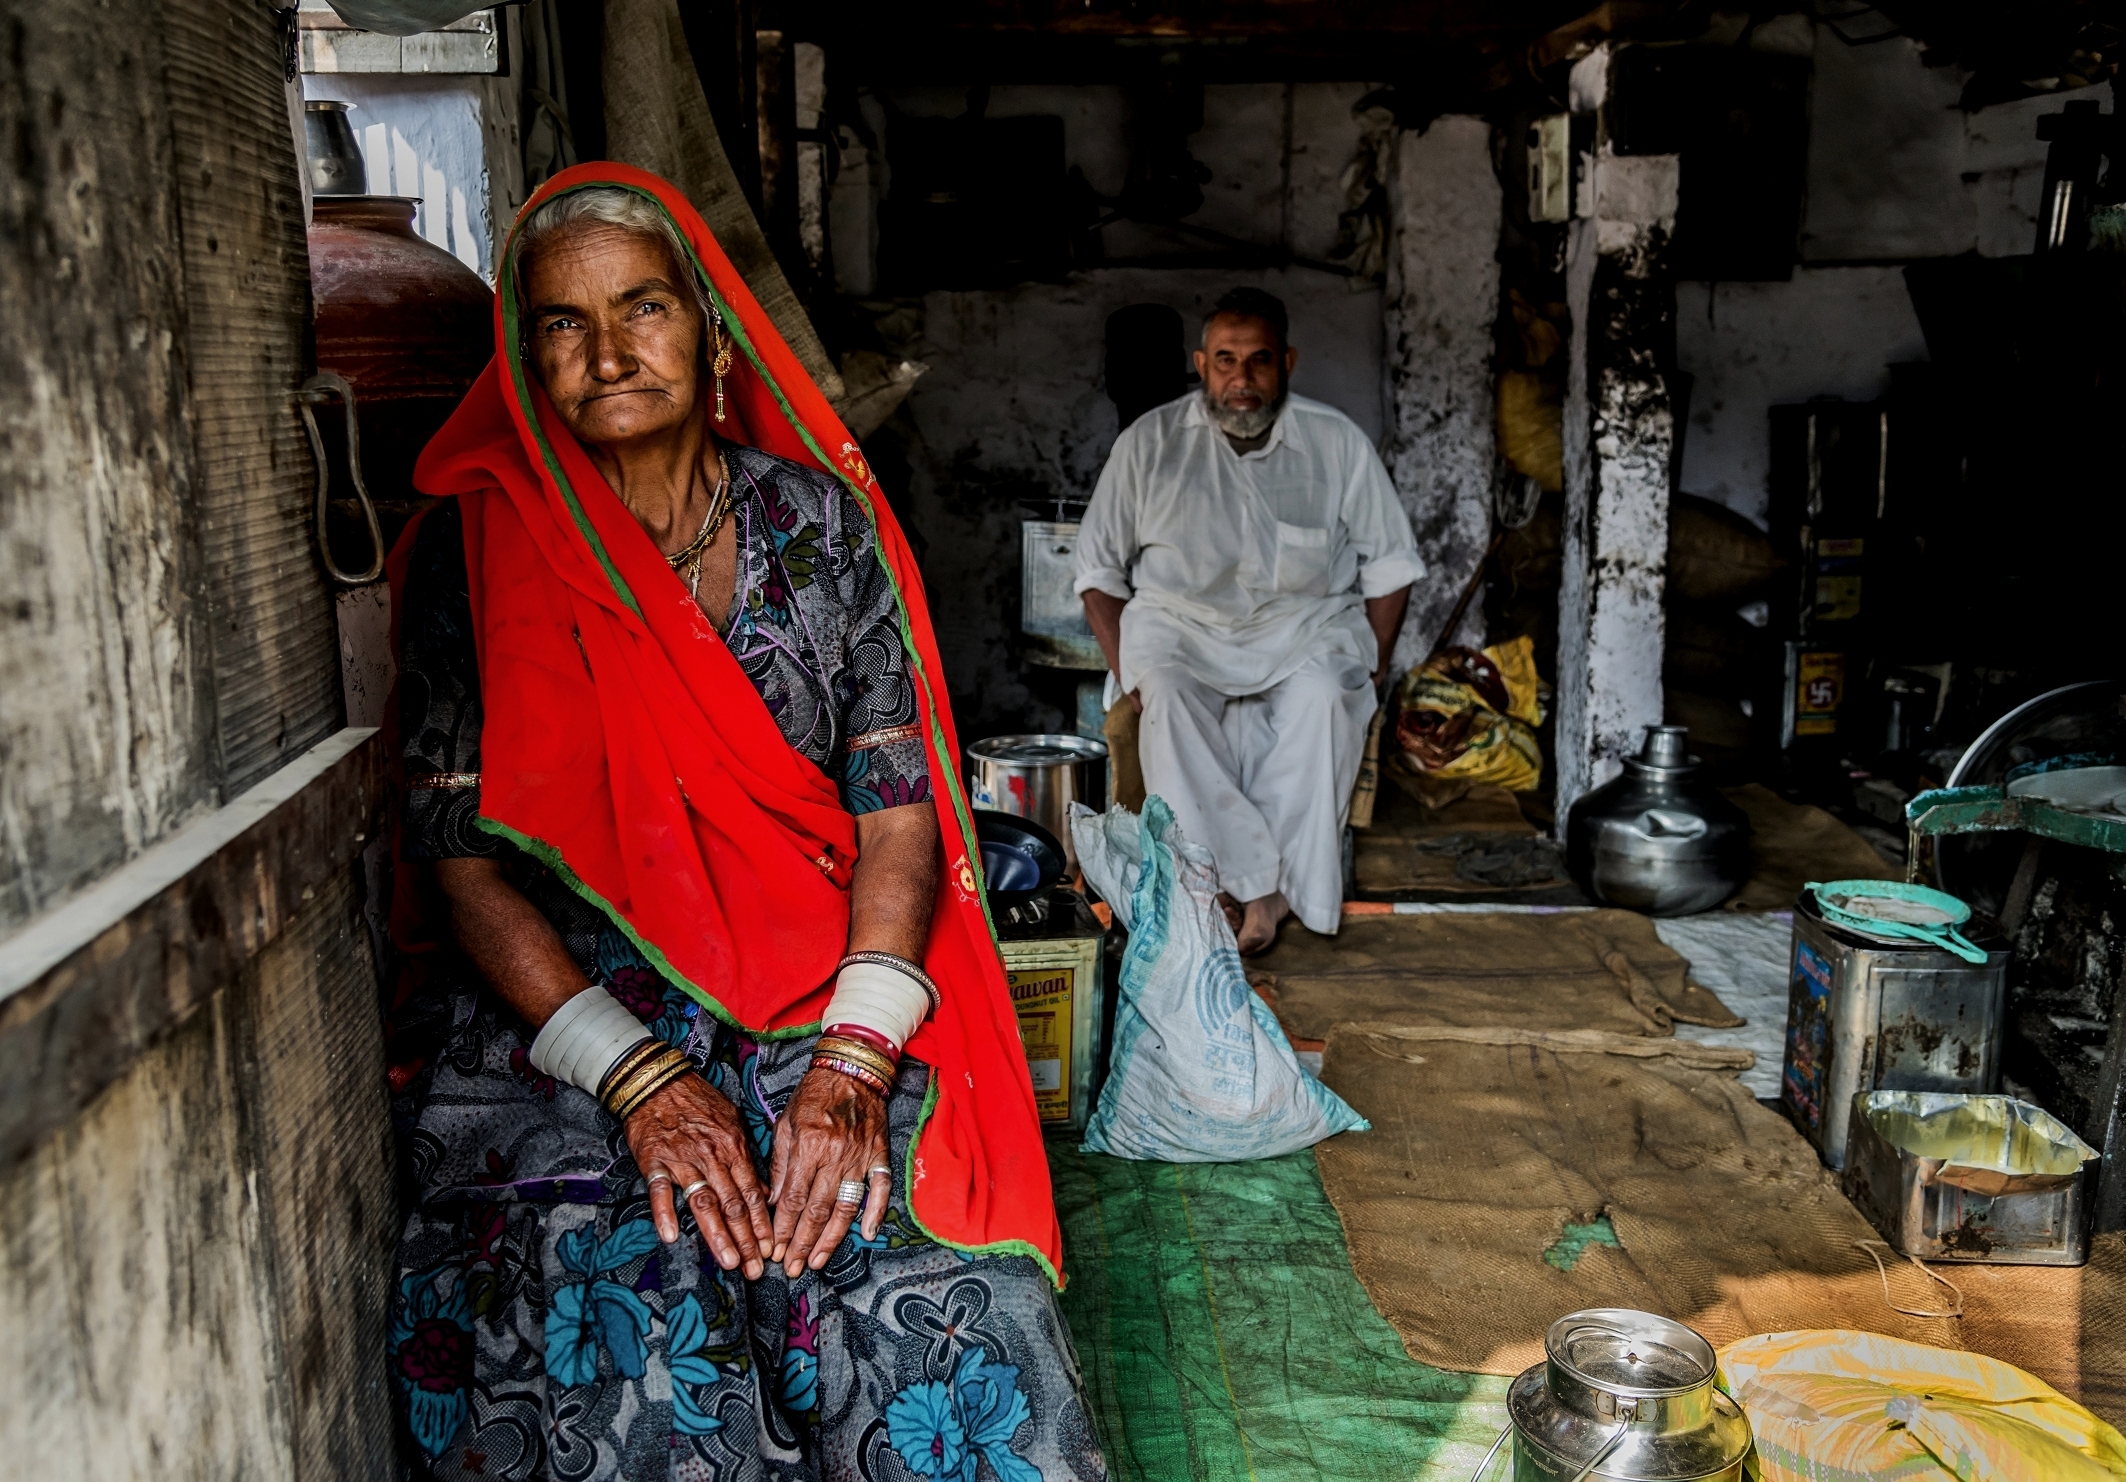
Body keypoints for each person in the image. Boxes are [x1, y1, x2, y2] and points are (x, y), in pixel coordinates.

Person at [384, 163, 1100, 1481]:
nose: (606, 352)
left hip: (816, 973)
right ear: (520, 351)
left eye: (641, 307)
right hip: (571, 996)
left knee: (910, 1250)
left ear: (709, 332)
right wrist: (641, 1078)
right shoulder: (473, 550)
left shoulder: (818, 524)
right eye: (559, 321)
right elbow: (456, 857)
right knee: (608, 1271)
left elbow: (898, 813)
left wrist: (851, 1065)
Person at [1074, 288, 1425, 955]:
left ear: (1286, 362)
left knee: (1327, 697)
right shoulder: (1148, 444)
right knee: (1169, 701)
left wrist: (1370, 671)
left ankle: (1265, 897)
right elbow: (1097, 574)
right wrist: (1132, 671)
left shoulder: (1336, 442)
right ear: (1201, 365)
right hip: (1180, 629)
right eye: (1226, 361)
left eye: (1259, 361)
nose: (1242, 378)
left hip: (1303, 630)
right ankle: (1237, 887)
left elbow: (1391, 567)